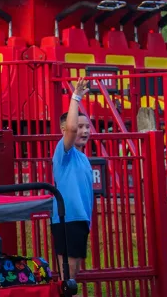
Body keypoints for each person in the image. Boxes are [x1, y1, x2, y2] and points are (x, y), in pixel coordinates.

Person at [52, 79, 100, 273]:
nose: (85, 130)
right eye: (80, 127)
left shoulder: (82, 158)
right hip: (68, 219)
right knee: (69, 276)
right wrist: (76, 98)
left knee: (72, 275)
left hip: (79, 220)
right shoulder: (64, 153)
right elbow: (71, 130)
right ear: (65, 131)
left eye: (87, 126)